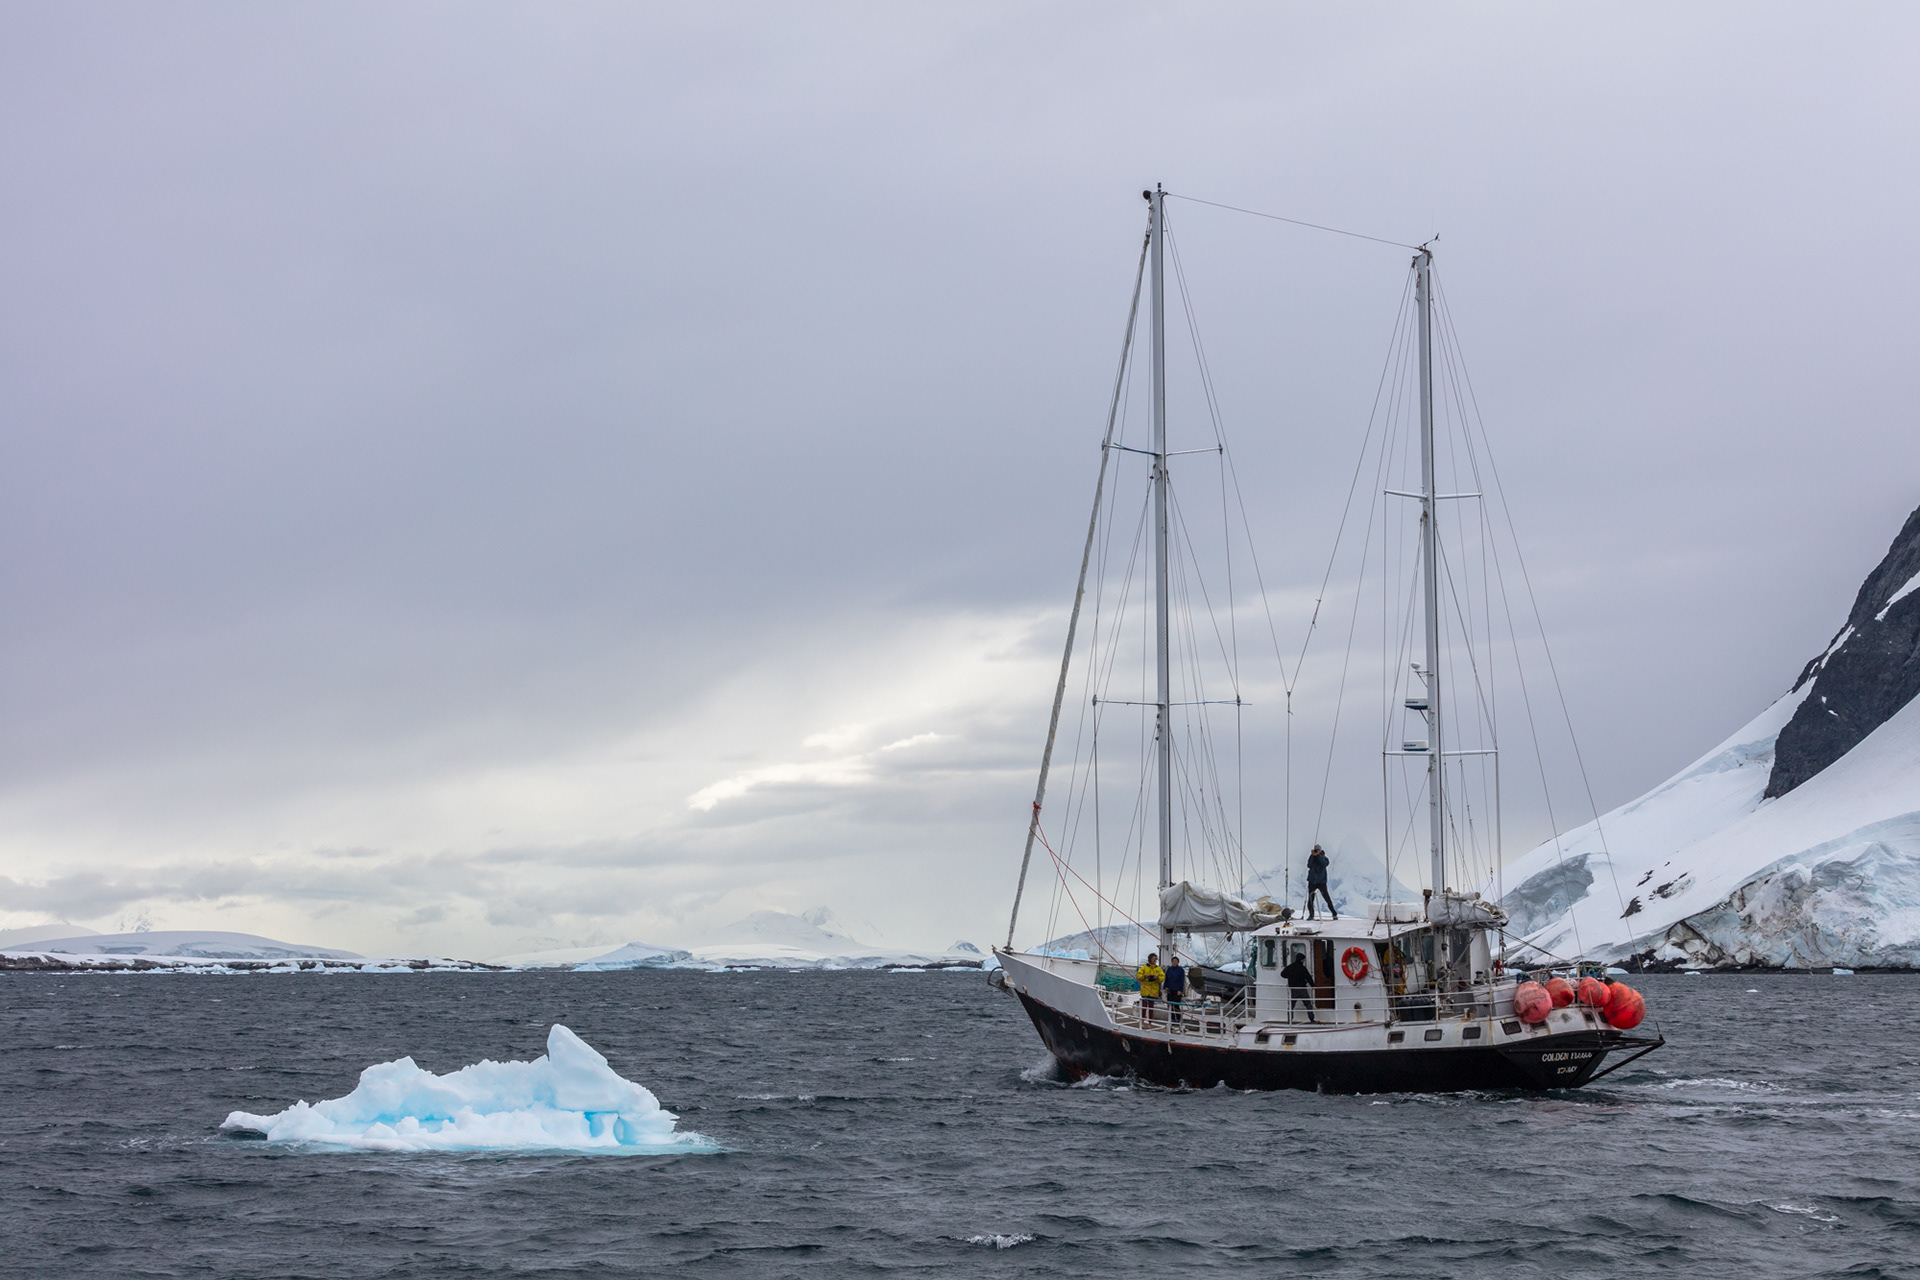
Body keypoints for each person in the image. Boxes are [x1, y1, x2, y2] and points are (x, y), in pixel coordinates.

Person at [1279, 947, 1316, 1023]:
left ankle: (1289, 1020)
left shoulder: (1290, 967)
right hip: (1302, 989)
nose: (1304, 961)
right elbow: (1308, 977)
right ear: (1301, 960)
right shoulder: (1302, 968)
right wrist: (1312, 985)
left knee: (1291, 1006)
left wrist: (1289, 977)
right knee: (1308, 1004)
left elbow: (1282, 974)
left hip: (1293, 989)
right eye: (1303, 959)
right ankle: (1311, 1019)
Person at [1305, 844, 1338, 920]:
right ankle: (1311, 915)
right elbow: (1309, 865)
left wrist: (1318, 856)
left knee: (1327, 898)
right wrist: (1312, 856)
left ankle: (1334, 913)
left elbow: (1323, 864)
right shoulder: (1312, 858)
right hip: (1312, 881)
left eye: (1318, 850)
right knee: (1310, 899)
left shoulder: (1324, 858)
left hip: (1321, 882)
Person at [1135, 952, 1165, 1023]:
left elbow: (1162, 977)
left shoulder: (1158, 969)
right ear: (1149, 959)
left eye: (1155, 959)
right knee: (1143, 1007)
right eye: (1153, 958)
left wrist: (1157, 978)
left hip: (1153, 991)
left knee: (1151, 1008)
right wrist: (1144, 976)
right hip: (1145, 990)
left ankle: (1150, 1022)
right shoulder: (1144, 968)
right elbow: (1138, 975)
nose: (1154, 960)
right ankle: (1142, 1021)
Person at [1164, 954, 1187, 1021]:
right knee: (1170, 1005)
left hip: (1177, 990)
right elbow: (1167, 979)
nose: (1174, 962)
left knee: (1176, 1005)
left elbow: (1182, 981)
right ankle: (1172, 1018)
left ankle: (1178, 1018)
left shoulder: (1180, 970)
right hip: (1170, 989)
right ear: (1171, 962)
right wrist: (1166, 986)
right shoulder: (1169, 970)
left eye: (1175, 961)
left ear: (1178, 962)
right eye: (1173, 961)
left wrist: (1180, 990)